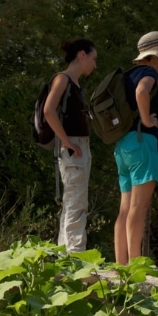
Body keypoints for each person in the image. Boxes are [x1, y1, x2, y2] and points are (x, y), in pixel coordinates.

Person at [114, 31, 158, 266]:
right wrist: (148, 119)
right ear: (153, 56)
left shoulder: (128, 75)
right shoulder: (149, 73)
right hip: (143, 142)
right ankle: (136, 264)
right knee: (139, 207)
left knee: (125, 209)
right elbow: (142, 92)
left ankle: (121, 264)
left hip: (124, 145)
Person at [43, 38, 97, 252]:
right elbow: (48, 110)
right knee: (76, 203)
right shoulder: (63, 79)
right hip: (72, 147)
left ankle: (65, 254)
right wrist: (66, 141)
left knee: (72, 202)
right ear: (81, 55)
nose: (95, 65)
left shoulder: (74, 84)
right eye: (93, 59)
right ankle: (75, 256)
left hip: (77, 146)